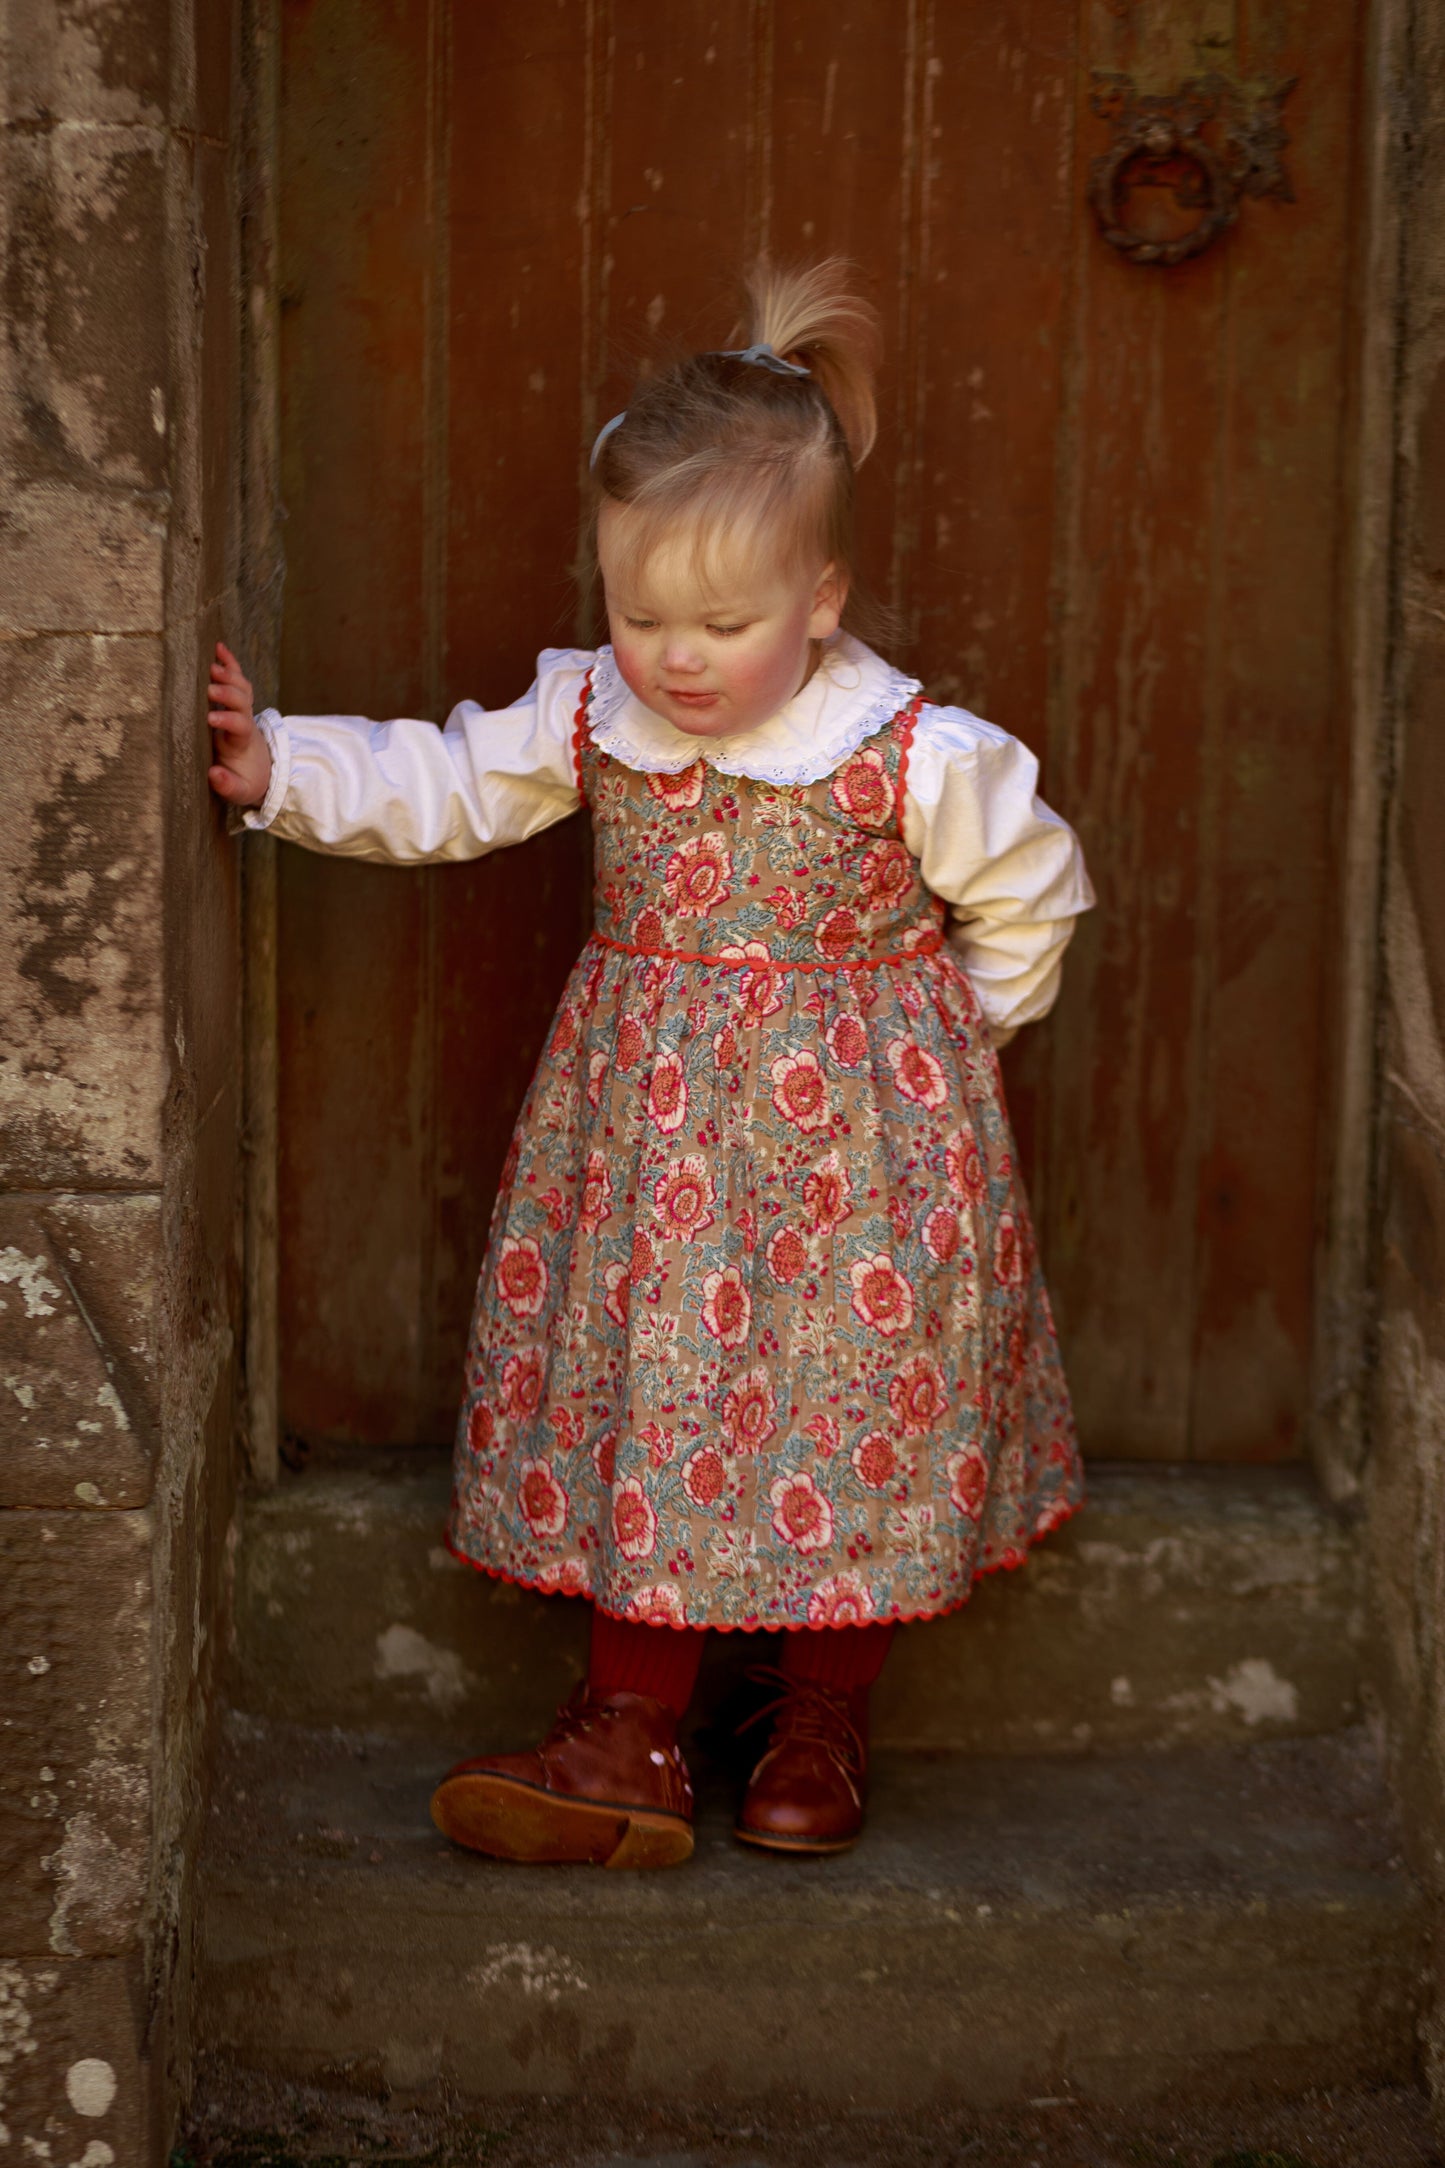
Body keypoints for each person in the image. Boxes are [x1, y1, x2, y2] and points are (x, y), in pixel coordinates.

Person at [208, 260, 1094, 1871]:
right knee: (654, 1393)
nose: (676, 658)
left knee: (854, 1409)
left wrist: (957, 1040)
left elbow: (1032, 885)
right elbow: (448, 782)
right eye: (639, 614)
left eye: (726, 622)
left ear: (819, 599)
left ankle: (814, 1714)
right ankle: (626, 1728)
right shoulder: (593, 719)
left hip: (862, 1170)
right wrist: (287, 768)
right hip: (658, 1152)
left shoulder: (913, 754)